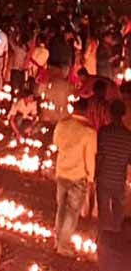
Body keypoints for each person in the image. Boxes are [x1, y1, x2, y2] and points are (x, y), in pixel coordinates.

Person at [53, 96, 97, 255]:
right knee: (71, 212)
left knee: (61, 208)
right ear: (87, 111)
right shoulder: (89, 132)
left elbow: (56, 143)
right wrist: (91, 178)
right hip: (78, 176)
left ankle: (57, 240)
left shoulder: (62, 124)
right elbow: (90, 156)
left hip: (61, 172)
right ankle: (63, 246)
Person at [95, 100, 131, 233]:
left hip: (103, 177)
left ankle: (103, 236)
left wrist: (95, 173)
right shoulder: (128, 136)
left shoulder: (104, 132)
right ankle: (117, 235)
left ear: (110, 113)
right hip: (119, 179)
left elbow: (99, 155)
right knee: (118, 211)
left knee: (103, 210)